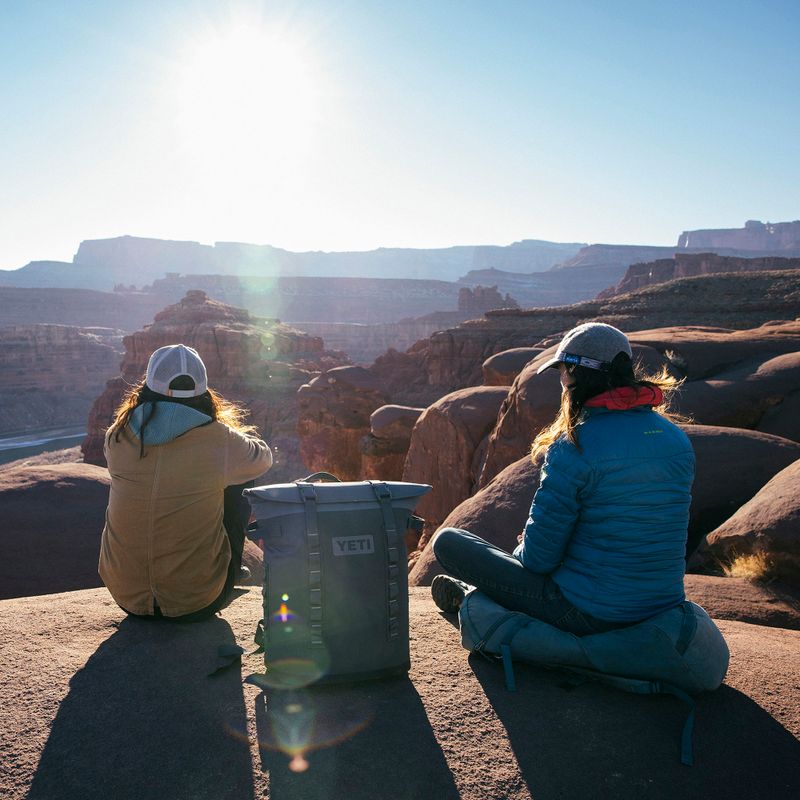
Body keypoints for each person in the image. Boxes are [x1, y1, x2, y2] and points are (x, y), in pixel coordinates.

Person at [431, 322, 695, 635]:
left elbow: (539, 560)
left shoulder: (575, 446)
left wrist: (520, 553)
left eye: (562, 371)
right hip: (661, 607)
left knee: (448, 542)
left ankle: (479, 601)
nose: (560, 379)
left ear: (574, 375)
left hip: (591, 612)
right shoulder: (676, 440)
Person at [99, 344, 272, 622]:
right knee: (240, 478)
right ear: (201, 389)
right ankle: (224, 567)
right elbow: (263, 458)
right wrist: (226, 434)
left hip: (126, 598)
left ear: (148, 385)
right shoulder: (219, 440)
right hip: (198, 601)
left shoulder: (117, 435)